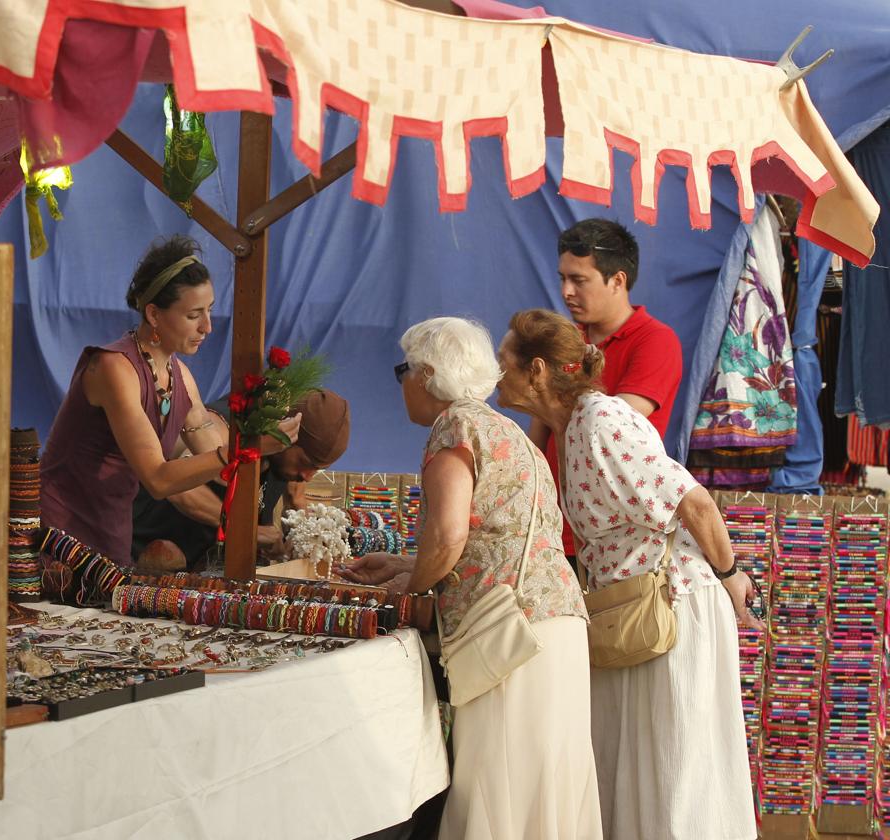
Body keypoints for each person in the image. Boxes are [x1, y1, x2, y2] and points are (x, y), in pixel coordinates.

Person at [498, 308, 759, 840]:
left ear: (538, 369)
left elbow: (696, 503)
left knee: (676, 761)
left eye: (504, 362)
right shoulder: (569, 429)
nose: (495, 373)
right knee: (639, 760)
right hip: (632, 611)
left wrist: (732, 576)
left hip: (672, 604)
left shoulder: (601, 422)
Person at [340, 317, 602, 840]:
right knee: (545, 781)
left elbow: (451, 533)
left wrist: (409, 589)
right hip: (554, 625)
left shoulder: (455, 427)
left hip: (511, 634)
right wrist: (406, 566)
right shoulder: (506, 431)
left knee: (500, 778)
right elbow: (488, 537)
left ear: (428, 373)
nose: (400, 385)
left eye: (404, 370)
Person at [39, 235, 300, 564]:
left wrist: (262, 425)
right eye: (194, 315)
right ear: (154, 314)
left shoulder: (182, 378)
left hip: (112, 532)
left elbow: (217, 461)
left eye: (210, 311)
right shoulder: (114, 369)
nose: (207, 327)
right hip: (61, 532)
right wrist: (249, 448)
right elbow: (159, 479)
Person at [529, 218, 683, 559]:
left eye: (578, 280)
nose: (566, 291)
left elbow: (609, 426)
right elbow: (538, 430)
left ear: (617, 280)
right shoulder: (564, 340)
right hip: (554, 524)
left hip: (615, 535)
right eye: (563, 278)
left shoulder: (656, 341)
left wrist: (548, 398)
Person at [131, 389, 351, 570]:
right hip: (143, 558)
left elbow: (297, 493)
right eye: (306, 462)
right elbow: (177, 489)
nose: (307, 475)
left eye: (318, 469)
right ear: (286, 433)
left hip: (200, 573)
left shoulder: (290, 465)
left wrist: (305, 532)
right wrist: (247, 529)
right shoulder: (224, 426)